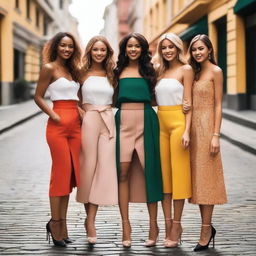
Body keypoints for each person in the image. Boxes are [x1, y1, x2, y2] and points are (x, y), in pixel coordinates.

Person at [114, 32, 163, 248]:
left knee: (149, 172)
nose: (133, 49)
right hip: (123, 121)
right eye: (129, 46)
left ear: (143, 49)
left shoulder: (152, 70)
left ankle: (154, 225)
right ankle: (126, 226)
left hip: (146, 119)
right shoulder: (116, 71)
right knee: (122, 173)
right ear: (124, 49)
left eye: (137, 46)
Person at [34, 32, 82, 247]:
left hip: (76, 127)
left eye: (70, 46)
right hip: (58, 126)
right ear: (56, 46)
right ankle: (55, 224)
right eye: (63, 45)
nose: (67, 49)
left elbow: (75, 97)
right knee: (60, 174)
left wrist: (81, 111)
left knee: (71, 176)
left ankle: (63, 227)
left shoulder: (73, 70)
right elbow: (37, 96)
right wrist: (54, 115)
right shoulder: (49, 68)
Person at [76, 36, 118, 245]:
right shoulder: (81, 73)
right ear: (90, 51)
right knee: (88, 170)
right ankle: (90, 222)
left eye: (103, 50)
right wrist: (79, 110)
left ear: (107, 52)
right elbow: (72, 97)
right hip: (90, 120)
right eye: (96, 50)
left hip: (109, 121)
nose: (99, 53)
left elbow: (122, 96)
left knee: (104, 171)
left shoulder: (113, 74)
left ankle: (91, 219)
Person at [187, 34, 227, 251]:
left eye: (201, 49)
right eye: (194, 50)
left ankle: (205, 230)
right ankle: (207, 227)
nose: (197, 53)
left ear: (209, 50)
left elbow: (219, 105)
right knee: (197, 183)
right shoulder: (192, 72)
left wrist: (216, 135)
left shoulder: (216, 71)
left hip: (208, 131)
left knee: (207, 181)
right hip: (192, 131)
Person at [154, 33, 193, 247]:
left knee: (178, 177)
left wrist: (187, 131)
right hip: (160, 123)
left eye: (171, 47)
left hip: (179, 123)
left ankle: (176, 225)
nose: (167, 51)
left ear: (178, 48)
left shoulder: (186, 70)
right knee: (165, 180)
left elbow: (189, 103)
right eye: (164, 47)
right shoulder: (160, 70)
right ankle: (167, 224)